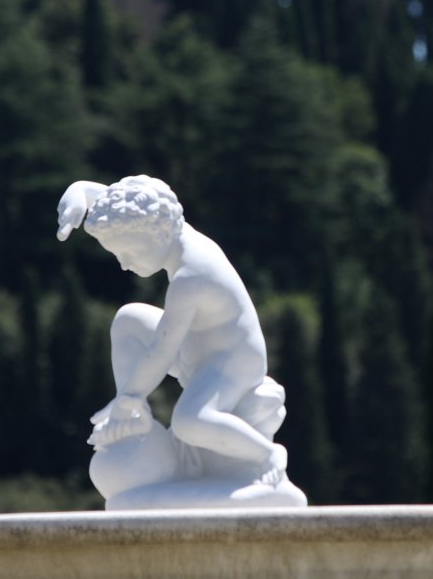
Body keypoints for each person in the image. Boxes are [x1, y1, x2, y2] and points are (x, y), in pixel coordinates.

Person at [56, 176, 288, 486]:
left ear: (154, 234)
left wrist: (128, 396)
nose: (124, 265)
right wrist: (80, 192)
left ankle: (268, 454)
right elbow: (135, 206)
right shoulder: (169, 228)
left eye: (128, 253)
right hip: (196, 347)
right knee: (128, 319)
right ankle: (136, 415)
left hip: (229, 361)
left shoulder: (191, 274)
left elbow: (161, 352)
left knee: (190, 422)